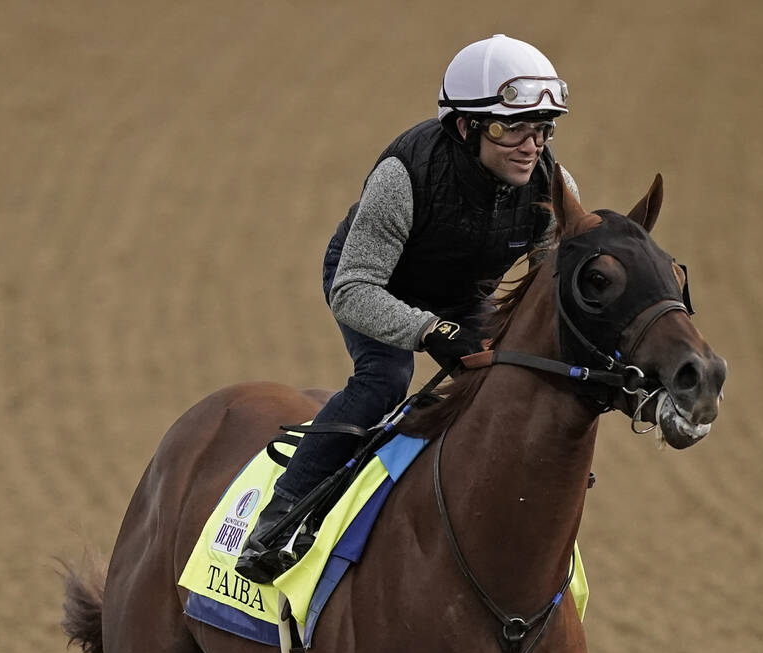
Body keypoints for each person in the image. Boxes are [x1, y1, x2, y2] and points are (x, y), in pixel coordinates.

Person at [236, 34, 578, 583]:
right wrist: (430, 330)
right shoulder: (404, 174)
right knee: (385, 379)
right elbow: (354, 289)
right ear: (466, 127)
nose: (530, 145)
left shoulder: (550, 185)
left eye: (542, 129)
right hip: (373, 279)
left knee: (513, 372)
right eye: (510, 127)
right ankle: (279, 520)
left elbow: (552, 291)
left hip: (462, 294)